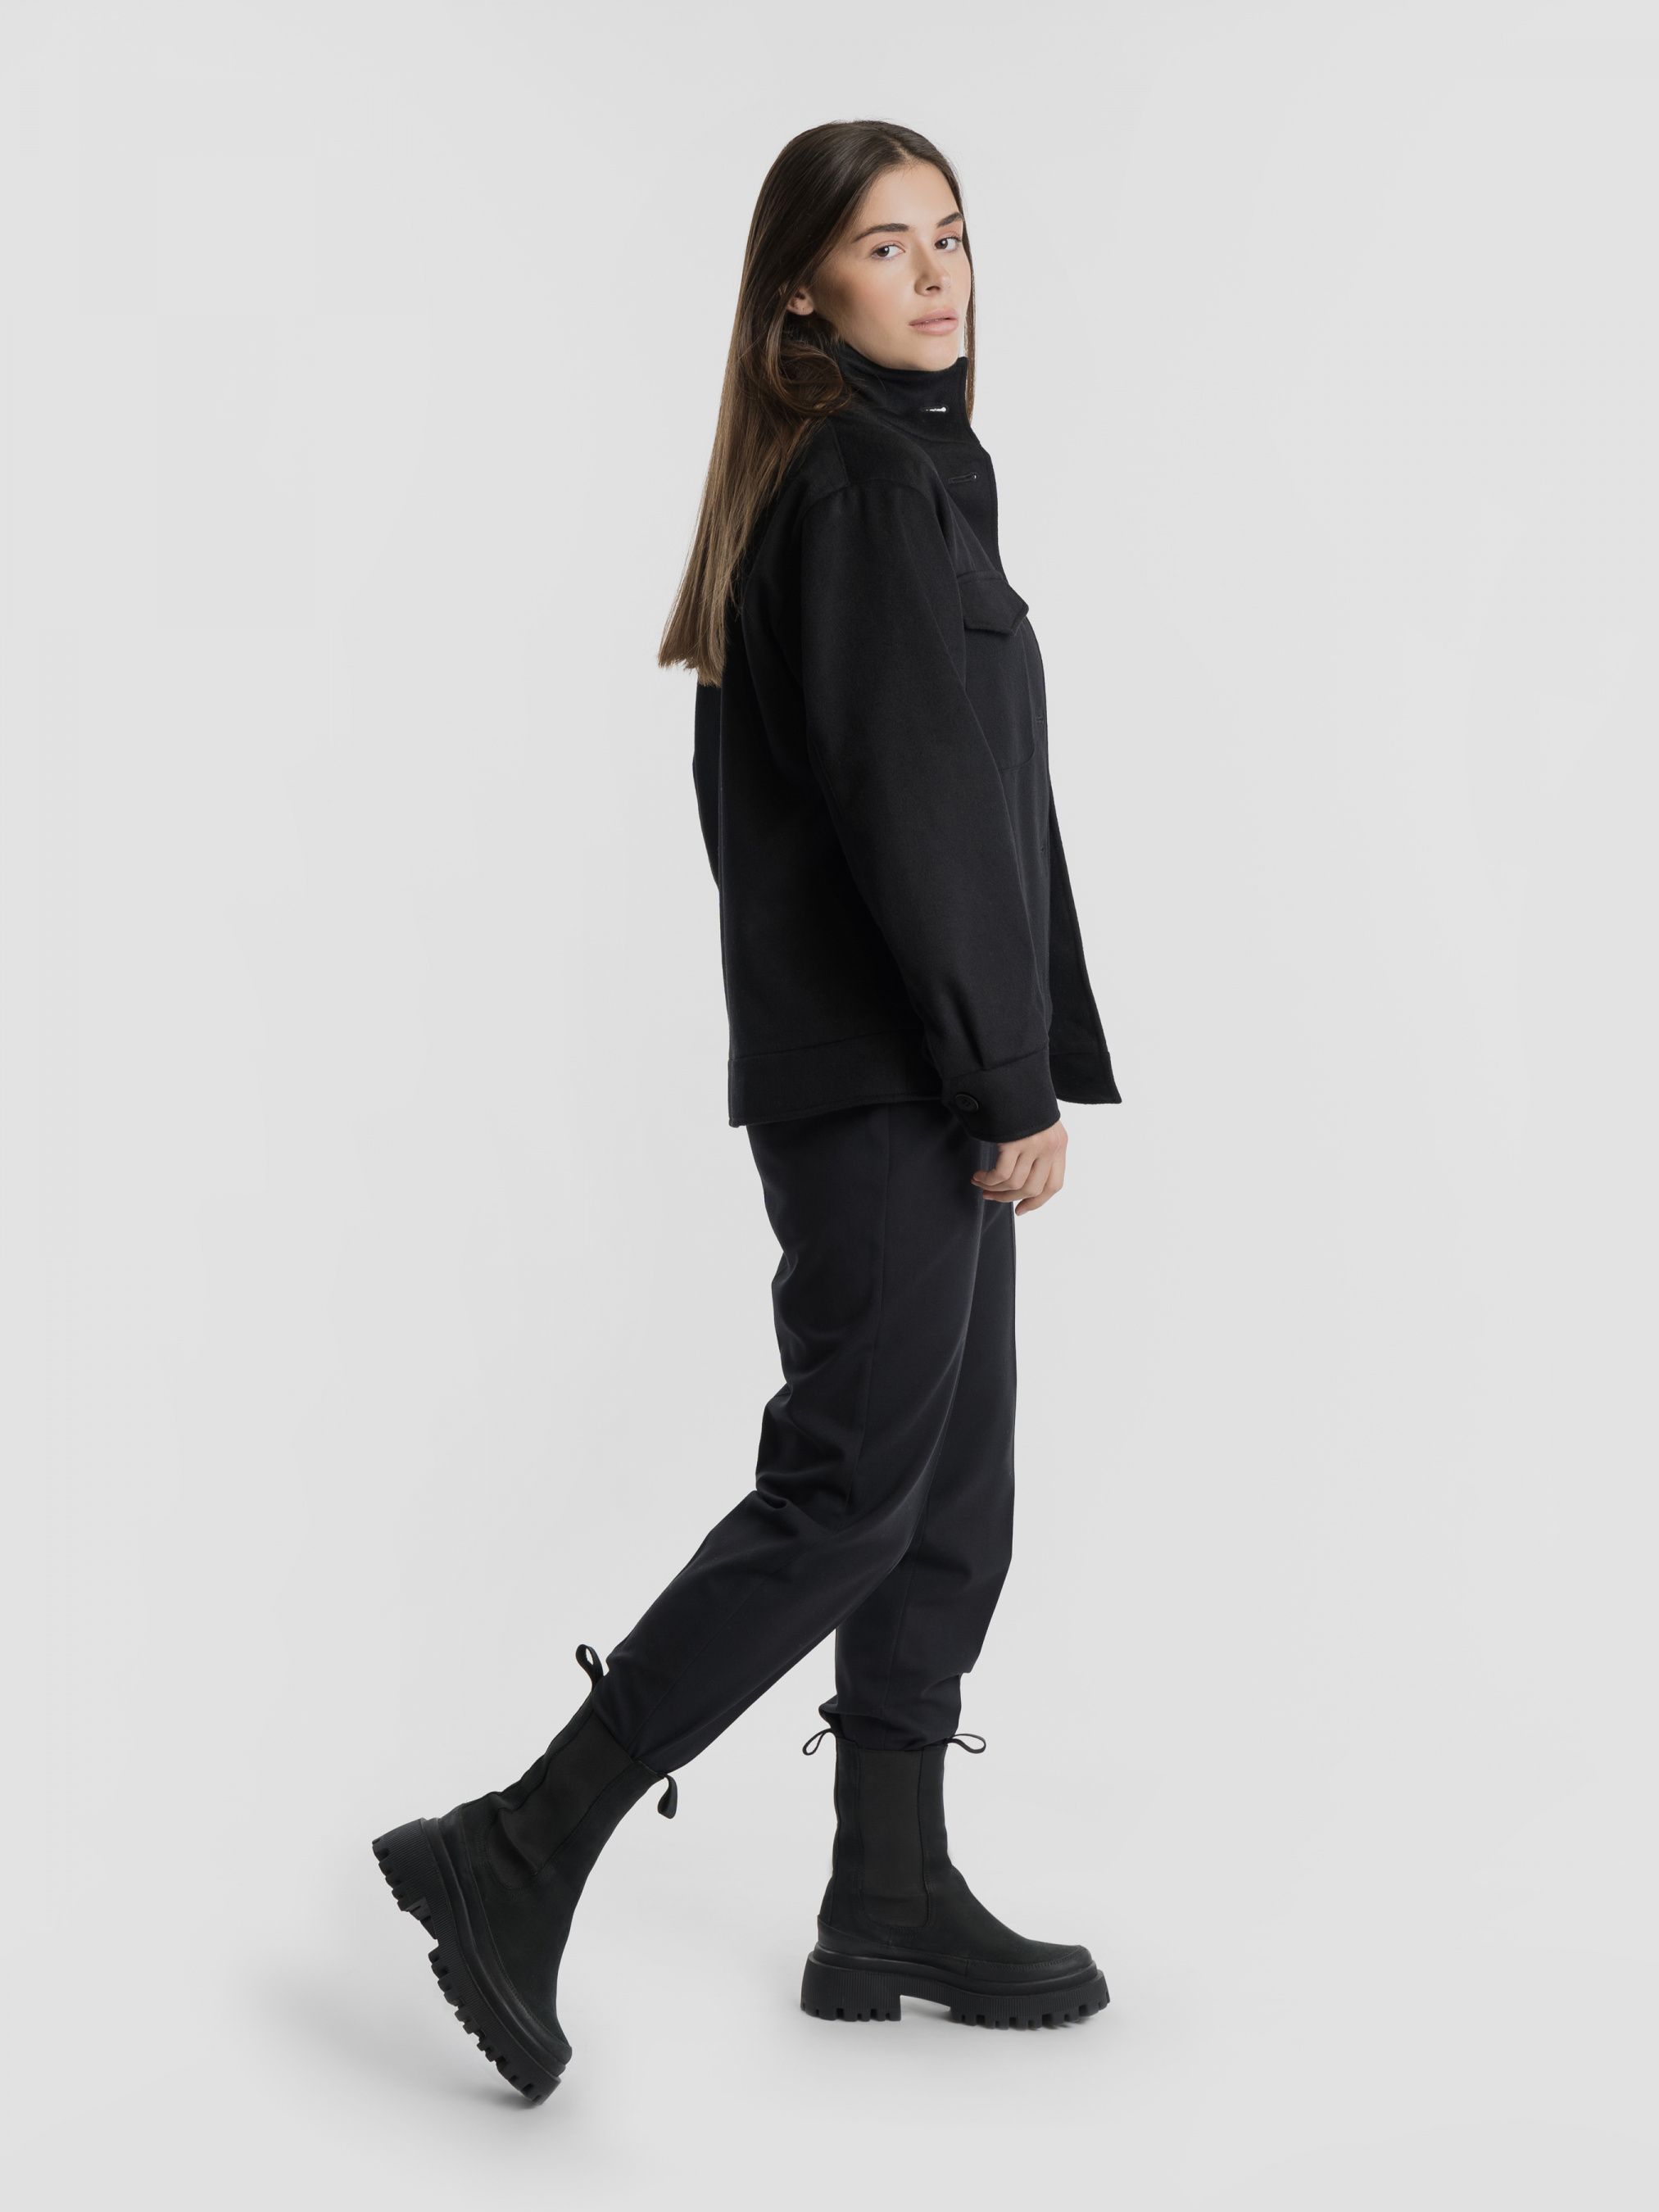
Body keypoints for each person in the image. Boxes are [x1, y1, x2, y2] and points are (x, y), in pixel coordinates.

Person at [373, 118, 1121, 2102]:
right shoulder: (859, 488)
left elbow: (961, 805)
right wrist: (1001, 1072)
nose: (936, 275)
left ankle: (888, 1890)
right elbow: (919, 817)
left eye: (951, 237)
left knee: (944, 1493)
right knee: (846, 1491)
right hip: (890, 1082)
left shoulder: (908, 475)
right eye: (887, 246)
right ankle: (518, 1843)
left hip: (914, 1073)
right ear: (803, 288)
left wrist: (1004, 1057)